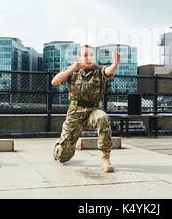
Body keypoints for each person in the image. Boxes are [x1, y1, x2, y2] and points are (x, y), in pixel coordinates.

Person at [51, 44, 122, 172]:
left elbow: (109, 71)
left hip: (92, 111)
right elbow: (54, 82)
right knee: (63, 157)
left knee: (103, 117)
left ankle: (105, 158)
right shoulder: (72, 70)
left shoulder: (99, 70)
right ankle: (60, 145)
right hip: (75, 112)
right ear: (79, 57)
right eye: (85, 55)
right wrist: (72, 68)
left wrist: (116, 63)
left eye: (91, 55)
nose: (89, 57)